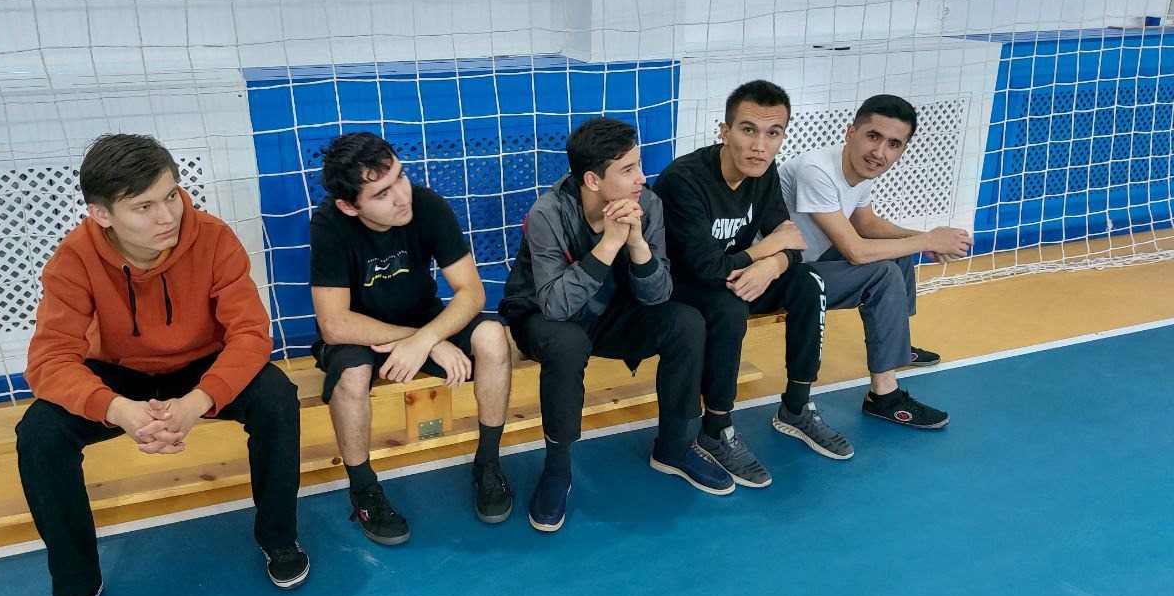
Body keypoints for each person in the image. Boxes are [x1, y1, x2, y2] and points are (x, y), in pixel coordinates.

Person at [17, 133, 307, 596]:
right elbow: (48, 360)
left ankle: (279, 538)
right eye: (143, 206)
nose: (167, 215)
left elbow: (250, 335)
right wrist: (117, 409)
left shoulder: (213, 239)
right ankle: (76, 588)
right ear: (102, 215)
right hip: (119, 375)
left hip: (200, 366)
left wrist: (199, 400)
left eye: (171, 195)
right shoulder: (75, 258)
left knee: (276, 396)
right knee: (39, 434)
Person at [500, 117, 734, 534]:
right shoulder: (547, 213)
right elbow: (555, 305)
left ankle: (674, 447)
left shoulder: (649, 204)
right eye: (628, 170)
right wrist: (609, 243)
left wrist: (637, 243)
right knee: (568, 343)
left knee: (685, 321)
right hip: (542, 318)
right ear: (593, 180)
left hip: (610, 313)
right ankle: (557, 469)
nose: (641, 177)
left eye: (638, 165)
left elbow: (658, 296)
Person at [310, 133, 513, 545]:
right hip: (361, 332)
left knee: (493, 337)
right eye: (382, 194)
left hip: (422, 321)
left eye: (401, 177)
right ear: (350, 205)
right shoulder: (330, 224)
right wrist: (425, 341)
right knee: (351, 374)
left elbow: (472, 292)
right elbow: (334, 323)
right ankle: (364, 491)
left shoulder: (426, 204)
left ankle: (488, 465)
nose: (401, 197)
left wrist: (427, 337)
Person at [654, 80, 849, 489]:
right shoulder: (683, 180)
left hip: (738, 276)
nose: (760, 146)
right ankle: (716, 429)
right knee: (728, 305)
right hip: (681, 287)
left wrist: (772, 264)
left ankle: (796, 407)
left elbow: (791, 241)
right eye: (748, 130)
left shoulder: (764, 172)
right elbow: (704, 267)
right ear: (725, 132)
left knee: (808, 281)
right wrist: (765, 252)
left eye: (773, 133)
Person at [778, 94, 972, 429]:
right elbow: (856, 251)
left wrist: (924, 238)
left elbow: (866, 224)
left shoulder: (858, 170)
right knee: (882, 272)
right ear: (851, 133)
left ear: (903, 150)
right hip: (779, 275)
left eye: (893, 144)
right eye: (873, 136)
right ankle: (884, 396)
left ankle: (897, 345)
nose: (879, 152)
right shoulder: (816, 170)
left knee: (897, 250)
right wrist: (927, 240)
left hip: (810, 261)